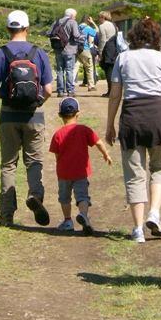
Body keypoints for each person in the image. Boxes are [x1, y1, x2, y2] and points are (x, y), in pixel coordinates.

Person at [105, 18, 161, 243]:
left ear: (134, 35)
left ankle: (138, 228)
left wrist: (109, 125)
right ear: (156, 38)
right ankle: (155, 214)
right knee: (160, 167)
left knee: (134, 174)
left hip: (131, 118)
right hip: (158, 117)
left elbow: (115, 95)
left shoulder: (123, 58)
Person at [0, 9, 54, 227]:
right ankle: (35, 195)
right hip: (34, 115)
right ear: (27, 29)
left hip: (8, 116)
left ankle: (6, 215)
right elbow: (49, 89)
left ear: (8, 29)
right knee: (33, 162)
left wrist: (8, 98)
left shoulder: (0, 53)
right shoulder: (38, 53)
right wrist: (37, 102)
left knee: (8, 165)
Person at [49, 97, 112, 235]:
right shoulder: (84, 130)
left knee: (64, 198)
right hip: (81, 172)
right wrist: (106, 154)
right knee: (82, 196)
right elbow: (99, 142)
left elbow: (57, 155)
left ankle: (67, 221)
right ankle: (83, 214)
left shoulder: (57, 134)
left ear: (60, 115)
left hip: (64, 173)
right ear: (78, 114)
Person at [48, 8, 85, 97]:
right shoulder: (72, 22)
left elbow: (48, 33)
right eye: (75, 16)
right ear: (72, 15)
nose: (75, 18)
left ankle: (60, 91)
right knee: (69, 70)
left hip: (58, 50)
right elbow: (76, 35)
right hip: (70, 50)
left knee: (60, 70)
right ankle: (70, 91)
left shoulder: (56, 22)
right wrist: (83, 36)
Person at [96, 11, 118, 98]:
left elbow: (102, 40)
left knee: (108, 70)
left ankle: (110, 91)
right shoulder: (113, 25)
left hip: (107, 48)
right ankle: (112, 90)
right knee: (112, 69)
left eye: (99, 17)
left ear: (102, 17)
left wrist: (100, 51)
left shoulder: (102, 26)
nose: (98, 19)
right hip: (114, 48)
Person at [77, 17, 98, 91]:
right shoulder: (88, 28)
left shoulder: (76, 27)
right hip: (85, 49)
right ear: (88, 21)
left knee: (74, 68)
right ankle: (91, 86)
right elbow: (97, 31)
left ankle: (70, 87)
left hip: (76, 50)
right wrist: (93, 22)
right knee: (89, 68)